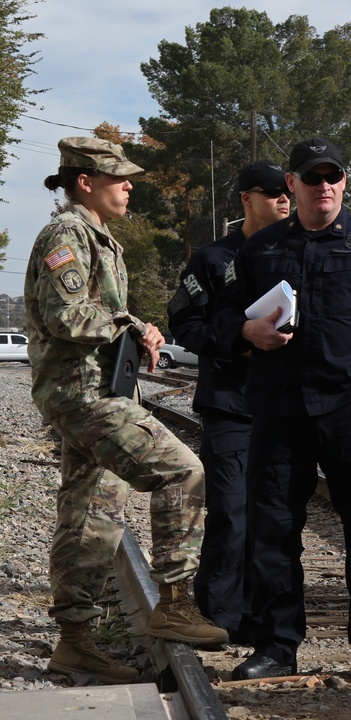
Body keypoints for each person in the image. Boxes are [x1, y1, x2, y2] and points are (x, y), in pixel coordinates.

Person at [213, 138, 351, 682]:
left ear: (344, 182)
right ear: (291, 185)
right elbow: (215, 317)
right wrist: (246, 331)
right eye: (311, 178)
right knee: (272, 533)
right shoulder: (259, 249)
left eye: (332, 177)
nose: (323, 187)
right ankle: (276, 646)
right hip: (278, 412)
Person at [24, 137, 229, 685]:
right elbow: (66, 315)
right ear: (85, 181)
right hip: (82, 392)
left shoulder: (99, 237)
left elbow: (103, 310)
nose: (130, 185)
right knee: (183, 471)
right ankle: (176, 604)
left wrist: (139, 326)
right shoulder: (67, 233)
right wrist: (129, 327)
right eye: (119, 178)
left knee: (92, 509)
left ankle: (76, 642)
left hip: (93, 390)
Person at [166, 161, 290, 641]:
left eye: (289, 191)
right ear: (246, 198)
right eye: (274, 191)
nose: (284, 198)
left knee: (276, 515)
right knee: (233, 511)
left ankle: (265, 617)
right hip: (231, 404)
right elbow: (186, 324)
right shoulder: (214, 259)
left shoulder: (298, 250)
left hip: (284, 405)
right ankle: (220, 613)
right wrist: (238, 340)